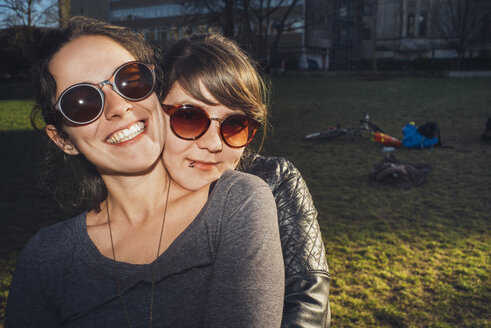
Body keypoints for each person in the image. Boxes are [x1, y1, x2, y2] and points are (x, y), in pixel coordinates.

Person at [5, 17, 284, 327]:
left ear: (156, 89)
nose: (118, 107)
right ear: (62, 139)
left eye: (130, 80)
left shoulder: (237, 203)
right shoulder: (46, 260)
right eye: (81, 102)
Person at [159, 34, 331, 327]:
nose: (213, 144)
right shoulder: (125, 198)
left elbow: (308, 303)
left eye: (235, 124)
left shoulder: (275, 180)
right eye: (189, 117)